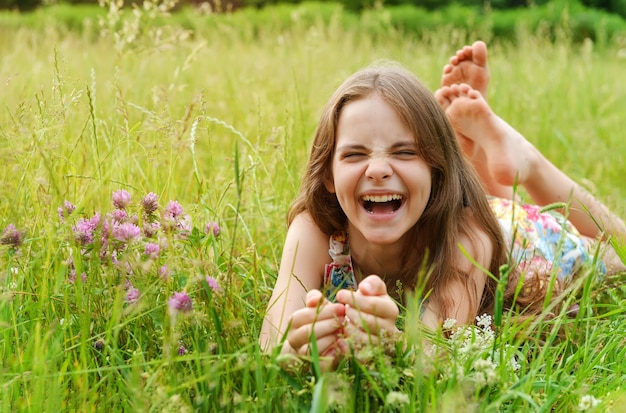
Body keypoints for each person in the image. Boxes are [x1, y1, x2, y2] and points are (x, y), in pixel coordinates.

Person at [259, 42, 626, 370]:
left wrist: (390, 345)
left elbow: (433, 355)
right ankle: (477, 152)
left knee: (619, 248)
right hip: (478, 210)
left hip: (532, 241)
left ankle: (526, 161)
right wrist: (298, 347)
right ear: (328, 175)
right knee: (490, 205)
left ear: (436, 170)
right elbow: (272, 337)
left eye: (404, 152)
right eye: (355, 154)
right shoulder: (313, 230)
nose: (378, 170)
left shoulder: (465, 239)